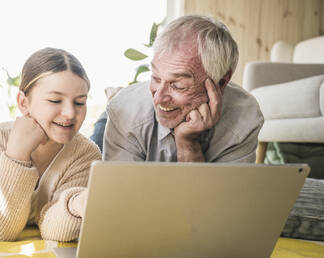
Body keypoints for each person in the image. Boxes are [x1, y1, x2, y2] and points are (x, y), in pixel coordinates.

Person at [0, 48, 101, 242]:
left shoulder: (86, 154)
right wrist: (17, 154)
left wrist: (76, 205)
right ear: (23, 103)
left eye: (80, 103)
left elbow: (53, 232)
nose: (70, 113)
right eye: (55, 100)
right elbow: (2, 231)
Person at [95, 15, 264, 162]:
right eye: (155, 78)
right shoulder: (124, 109)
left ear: (221, 82)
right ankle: (112, 98)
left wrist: (187, 143)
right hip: (128, 117)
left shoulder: (244, 118)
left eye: (178, 86)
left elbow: (217, 198)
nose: (158, 98)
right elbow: (122, 194)